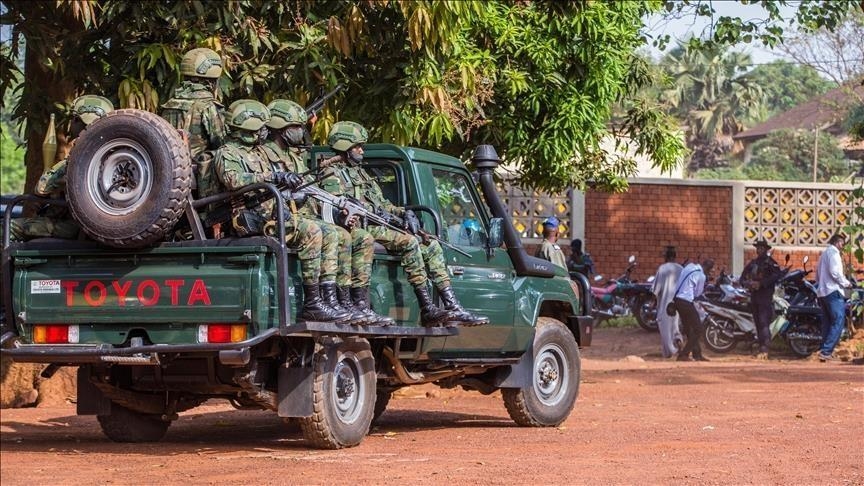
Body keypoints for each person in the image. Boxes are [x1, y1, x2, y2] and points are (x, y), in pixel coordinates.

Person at [321, 121, 488, 327]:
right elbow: (340, 206)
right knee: (409, 242)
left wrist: (405, 213)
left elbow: (384, 205)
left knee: (431, 244)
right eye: (358, 146)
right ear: (345, 146)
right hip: (361, 227)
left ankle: (451, 305)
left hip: (377, 223)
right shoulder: (331, 173)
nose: (362, 151)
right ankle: (426, 307)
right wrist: (378, 213)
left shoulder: (361, 174)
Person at [257, 99, 391, 326]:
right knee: (327, 233)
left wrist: (343, 206)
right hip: (280, 216)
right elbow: (263, 185)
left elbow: (314, 191)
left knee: (350, 235)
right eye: (296, 127)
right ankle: (315, 303)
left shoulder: (293, 157)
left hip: (302, 214)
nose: (301, 132)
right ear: (280, 128)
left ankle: (343, 302)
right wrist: (282, 184)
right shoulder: (265, 154)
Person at [213, 99, 346, 323]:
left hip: (274, 214)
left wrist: (288, 181)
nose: (266, 130)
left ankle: (329, 299)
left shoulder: (258, 152)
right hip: (251, 219)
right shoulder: (228, 152)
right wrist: (272, 177)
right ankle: (312, 303)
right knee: (312, 231)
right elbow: (233, 180)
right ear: (248, 126)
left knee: (333, 232)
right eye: (262, 126)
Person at [7, 95, 113, 242]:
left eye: (73, 120)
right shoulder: (118, 158)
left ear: (76, 121)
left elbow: (41, 188)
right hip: (105, 229)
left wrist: (50, 173)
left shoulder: (78, 159)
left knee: (7, 227)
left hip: (72, 227)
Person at [160, 47, 227, 198]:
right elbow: (221, 144)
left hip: (169, 173)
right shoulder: (208, 106)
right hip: (199, 178)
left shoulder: (170, 103)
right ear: (211, 81)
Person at [740, 239, 784, 358]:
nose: (759, 250)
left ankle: (765, 348)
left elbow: (777, 276)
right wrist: (749, 284)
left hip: (765, 297)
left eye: (761, 248)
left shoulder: (771, 263)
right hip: (754, 296)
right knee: (758, 323)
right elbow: (742, 278)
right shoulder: (753, 263)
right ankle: (761, 347)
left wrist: (762, 283)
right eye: (758, 248)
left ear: (766, 249)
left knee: (764, 322)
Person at [816, 233, 853, 362]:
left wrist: (821, 285)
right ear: (838, 242)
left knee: (827, 322)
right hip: (833, 291)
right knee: (839, 320)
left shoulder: (824, 253)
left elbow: (817, 272)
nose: (843, 246)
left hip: (823, 291)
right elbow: (835, 272)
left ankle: (824, 351)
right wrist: (846, 283)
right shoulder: (834, 253)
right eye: (842, 243)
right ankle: (826, 351)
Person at [673, 258, 714, 362]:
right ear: (708, 269)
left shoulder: (689, 266)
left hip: (677, 300)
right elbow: (697, 294)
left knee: (689, 329)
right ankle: (683, 354)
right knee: (698, 329)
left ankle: (697, 354)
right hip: (686, 302)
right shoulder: (701, 276)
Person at [652, 245, 684, 358]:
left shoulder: (662, 269)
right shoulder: (681, 269)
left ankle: (671, 351)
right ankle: (678, 340)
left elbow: (656, 289)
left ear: (666, 256)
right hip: (678, 304)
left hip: (665, 305)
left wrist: (653, 303)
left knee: (665, 330)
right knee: (675, 326)